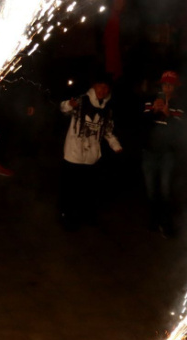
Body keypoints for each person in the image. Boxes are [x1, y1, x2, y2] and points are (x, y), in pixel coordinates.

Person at [58, 76, 123, 229]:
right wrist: (69, 104)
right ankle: (66, 217)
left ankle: (84, 215)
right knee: (70, 189)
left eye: (106, 88)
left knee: (87, 189)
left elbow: (107, 130)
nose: (103, 90)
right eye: (100, 86)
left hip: (91, 156)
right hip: (73, 153)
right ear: (94, 86)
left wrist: (115, 145)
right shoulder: (81, 101)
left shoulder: (107, 109)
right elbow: (63, 108)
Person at [142, 70, 184, 238]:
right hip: (149, 152)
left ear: (174, 88)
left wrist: (168, 116)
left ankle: (166, 224)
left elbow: (180, 131)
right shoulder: (150, 102)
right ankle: (154, 220)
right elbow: (141, 125)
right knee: (151, 190)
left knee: (166, 190)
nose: (167, 88)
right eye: (165, 85)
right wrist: (153, 111)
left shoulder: (179, 105)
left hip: (167, 154)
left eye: (170, 86)